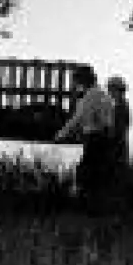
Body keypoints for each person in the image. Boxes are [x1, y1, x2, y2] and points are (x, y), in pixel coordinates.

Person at [53, 65, 117, 205]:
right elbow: (108, 121)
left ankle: (86, 203)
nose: (76, 84)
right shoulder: (103, 94)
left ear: (83, 81)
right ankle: (96, 203)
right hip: (104, 138)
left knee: (85, 171)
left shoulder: (89, 97)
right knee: (97, 171)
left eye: (77, 80)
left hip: (94, 138)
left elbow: (77, 119)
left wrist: (60, 135)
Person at [107, 76, 132, 176]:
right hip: (118, 146)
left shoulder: (121, 107)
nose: (109, 93)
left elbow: (119, 129)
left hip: (117, 147)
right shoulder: (119, 105)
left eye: (111, 90)